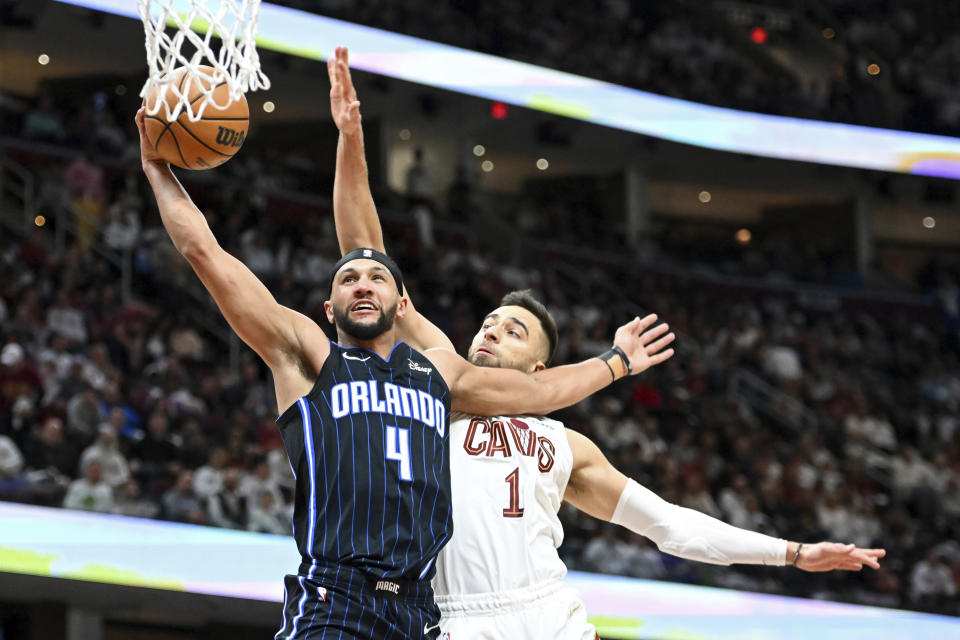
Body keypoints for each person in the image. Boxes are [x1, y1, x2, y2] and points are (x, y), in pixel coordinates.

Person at [327, 46, 887, 639]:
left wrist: (793, 554)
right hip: (457, 622)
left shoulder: (564, 444)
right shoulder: (437, 382)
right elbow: (366, 254)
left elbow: (672, 527)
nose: (491, 330)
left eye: (512, 329)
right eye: (489, 322)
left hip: (549, 615)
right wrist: (351, 138)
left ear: (539, 364)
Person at [134, 104, 672, 640]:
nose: (363, 284)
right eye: (348, 279)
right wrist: (157, 169)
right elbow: (203, 250)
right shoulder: (308, 358)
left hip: (419, 613)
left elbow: (540, 389)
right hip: (335, 598)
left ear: (400, 303)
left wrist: (617, 361)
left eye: (376, 277)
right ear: (329, 308)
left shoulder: (440, 372)